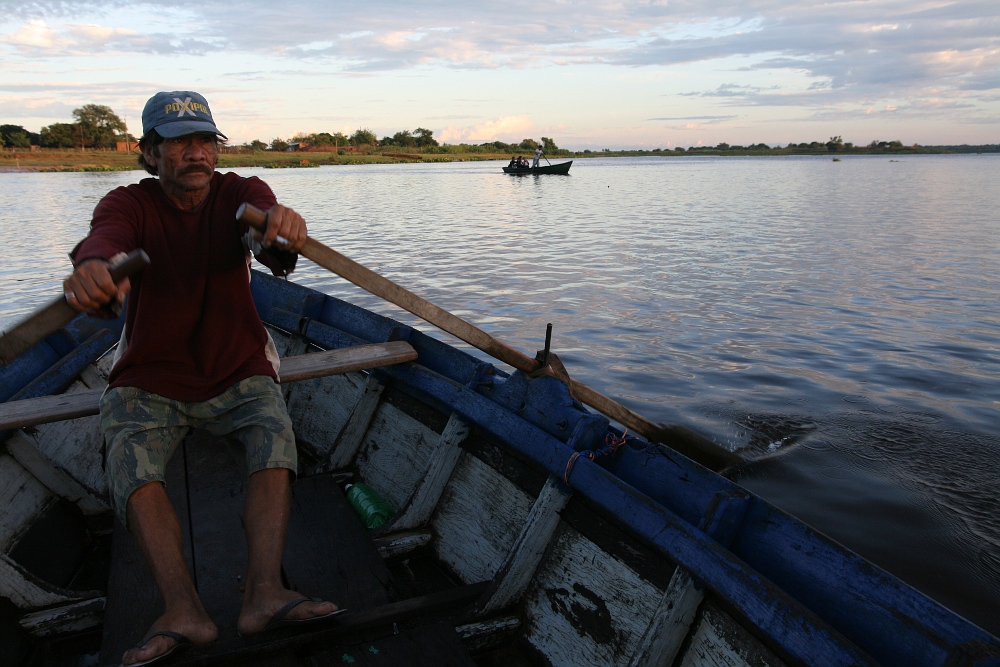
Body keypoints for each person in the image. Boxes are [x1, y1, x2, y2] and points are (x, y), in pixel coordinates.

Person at [63, 91, 341, 666]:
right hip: (149, 374)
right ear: (148, 153)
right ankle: (182, 609)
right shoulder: (129, 204)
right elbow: (104, 240)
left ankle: (264, 593)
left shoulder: (241, 193)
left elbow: (271, 243)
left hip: (236, 363)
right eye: (179, 142)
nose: (196, 154)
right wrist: (92, 269)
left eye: (205, 141)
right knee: (129, 459)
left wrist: (280, 231)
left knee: (274, 437)